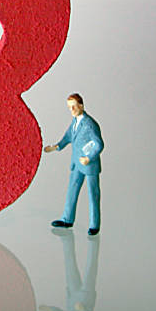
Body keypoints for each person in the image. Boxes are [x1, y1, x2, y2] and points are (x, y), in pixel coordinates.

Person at [44, 94, 103, 236]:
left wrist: (88, 157)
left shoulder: (89, 124)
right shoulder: (75, 121)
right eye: (69, 107)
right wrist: (56, 146)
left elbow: (99, 144)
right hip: (77, 163)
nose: (72, 110)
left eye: (74, 107)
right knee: (72, 190)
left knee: (93, 194)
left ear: (81, 106)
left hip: (89, 165)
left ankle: (94, 224)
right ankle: (67, 219)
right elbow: (68, 137)